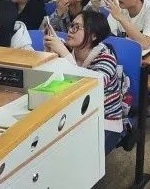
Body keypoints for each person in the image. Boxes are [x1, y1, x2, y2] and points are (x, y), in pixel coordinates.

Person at [44, 10, 123, 152]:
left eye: (77, 27)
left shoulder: (106, 58)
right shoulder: (68, 50)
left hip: (104, 121)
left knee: (74, 153)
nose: (70, 30)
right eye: (71, 25)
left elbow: (88, 88)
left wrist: (64, 54)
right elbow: (51, 82)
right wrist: (51, 54)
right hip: (74, 117)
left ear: (94, 36)